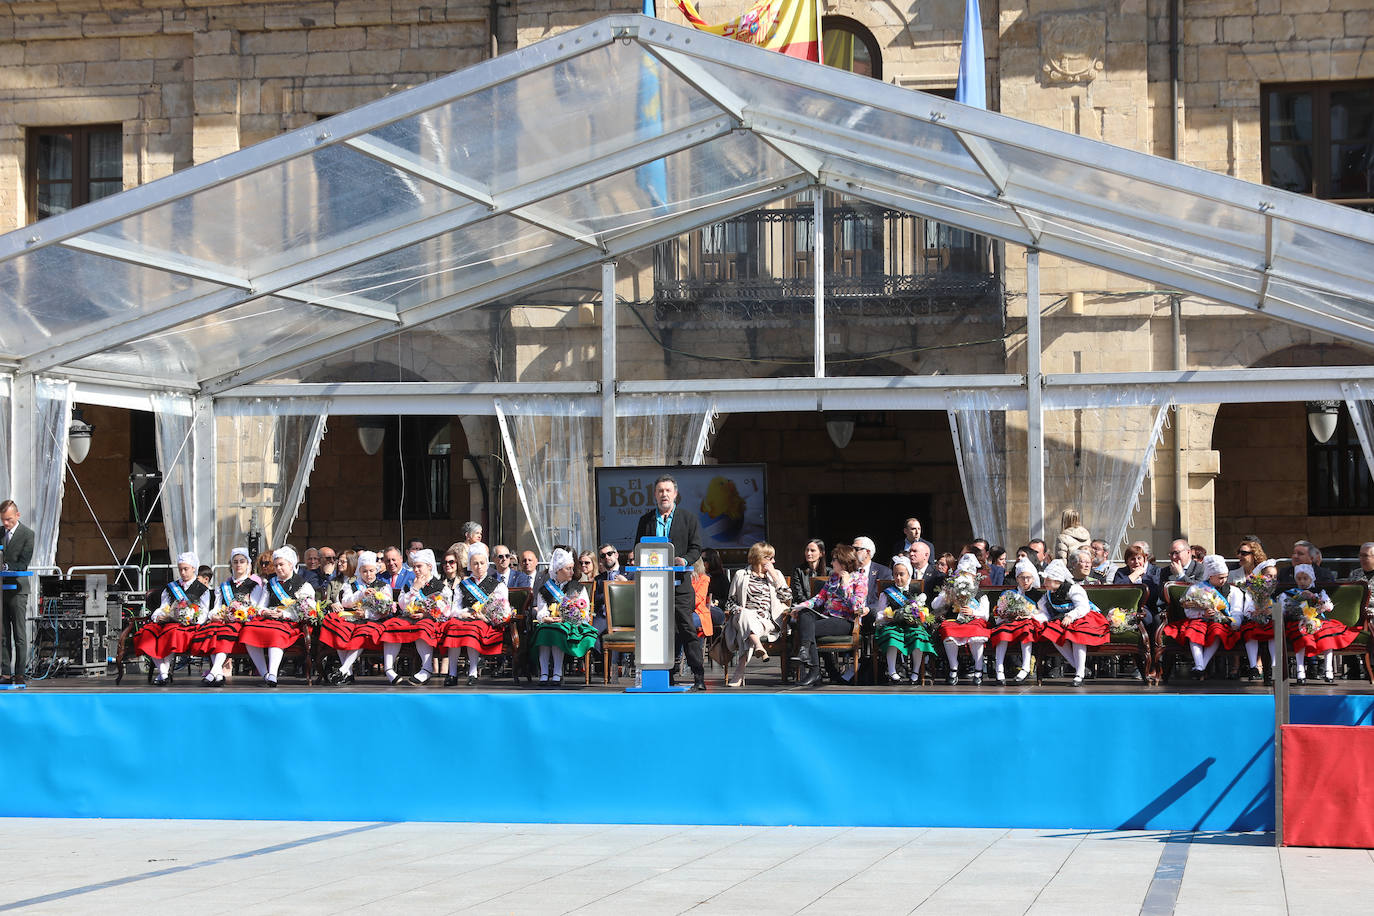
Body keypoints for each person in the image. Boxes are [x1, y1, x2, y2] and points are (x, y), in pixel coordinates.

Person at [633, 474, 705, 690]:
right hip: (652, 588)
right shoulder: (645, 520)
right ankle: (666, 676)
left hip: (680, 586)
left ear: (675, 494)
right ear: (655, 495)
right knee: (659, 631)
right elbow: (638, 547)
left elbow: (696, 548)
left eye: (667, 491)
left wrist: (684, 560)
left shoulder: (688, 518)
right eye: (660, 491)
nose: (664, 494)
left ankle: (698, 677)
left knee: (686, 629)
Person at [789, 543, 867, 688]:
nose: (831, 563)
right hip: (827, 616)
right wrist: (800, 607)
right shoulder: (832, 577)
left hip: (845, 621)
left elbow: (855, 606)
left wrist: (845, 585)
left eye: (834, 560)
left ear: (843, 562)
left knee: (806, 628)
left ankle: (814, 670)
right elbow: (819, 598)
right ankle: (807, 653)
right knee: (805, 614)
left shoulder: (860, 579)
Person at [1161, 555, 1243, 681]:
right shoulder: (1197, 588)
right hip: (1201, 620)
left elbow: (1237, 611)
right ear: (1210, 576)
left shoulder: (1234, 591)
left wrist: (1232, 621)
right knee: (1194, 631)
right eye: (1220, 578)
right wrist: (1203, 614)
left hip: (1223, 623)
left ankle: (1201, 666)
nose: (1224, 580)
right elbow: (1188, 610)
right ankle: (1199, 665)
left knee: (1216, 631)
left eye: (1225, 577)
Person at [239, 547, 312, 687]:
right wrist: (264, 612)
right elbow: (260, 606)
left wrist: (284, 614)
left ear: (291, 564)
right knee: (248, 631)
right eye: (276, 565)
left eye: (281, 565)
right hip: (268, 619)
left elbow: (306, 610)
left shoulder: (303, 585)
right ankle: (265, 673)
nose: (278, 568)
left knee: (275, 633)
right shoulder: (270, 584)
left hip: (289, 622)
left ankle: (273, 673)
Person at [135, 551, 211, 686]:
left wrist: (190, 619)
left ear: (193, 568)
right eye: (180, 569)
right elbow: (163, 606)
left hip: (189, 625)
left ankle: (163, 674)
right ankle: (164, 672)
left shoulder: (202, 589)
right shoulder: (171, 588)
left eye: (185, 569)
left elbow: (204, 612)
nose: (182, 572)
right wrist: (158, 616)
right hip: (168, 622)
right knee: (147, 633)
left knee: (171, 633)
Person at [441, 543, 510, 686]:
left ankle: (472, 672)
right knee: (453, 625)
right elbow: (454, 608)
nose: (478, 566)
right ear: (470, 565)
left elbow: (503, 611)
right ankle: (452, 673)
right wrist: (463, 614)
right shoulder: (463, 585)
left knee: (473, 629)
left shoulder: (498, 585)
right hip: (465, 618)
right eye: (475, 563)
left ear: (487, 564)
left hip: (485, 623)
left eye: (481, 563)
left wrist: (484, 617)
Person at [722, 541, 790, 687]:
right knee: (746, 615)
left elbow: (787, 598)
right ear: (761, 558)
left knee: (747, 630)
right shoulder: (741, 575)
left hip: (765, 621)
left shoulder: (776, 574)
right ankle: (758, 645)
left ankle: (739, 672)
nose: (774, 561)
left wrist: (774, 576)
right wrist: (738, 610)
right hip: (741, 617)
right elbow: (729, 603)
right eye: (770, 558)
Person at [1280, 563, 1360, 684]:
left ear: (1311, 578)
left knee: (1327, 634)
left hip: (1318, 621)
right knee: (1301, 635)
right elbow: (1284, 609)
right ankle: (1300, 672)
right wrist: (1296, 604)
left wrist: (1317, 600)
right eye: (1299, 578)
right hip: (1299, 621)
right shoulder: (1290, 593)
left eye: (1305, 578)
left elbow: (1329, 606)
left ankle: (1329, 671)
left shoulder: (1318, 592)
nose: (1302, 581)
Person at [191, 546, 259, 686]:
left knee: (223, 633)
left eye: (242, 561)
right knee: (211, 630)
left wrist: (238, 616)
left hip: (242, 623)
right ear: (231, 565)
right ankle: (218, 673)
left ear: (248, 564)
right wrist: (214, 615)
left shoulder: (254, 585)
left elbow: (255, 608)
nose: (238, 564)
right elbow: (215, 607)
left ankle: (214, 671)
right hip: (223, 620)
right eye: (235, 562)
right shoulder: (223, 586)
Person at [1038, 558, 1111, 687]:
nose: (1045, 582)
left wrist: (1071, 616)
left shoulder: (1073, 589)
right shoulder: (1049, 593)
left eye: (1047, 579)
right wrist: (1034, 617)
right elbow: (1043, 610)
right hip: (1065, 618)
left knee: (1077, 635)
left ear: (1057, 580)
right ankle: (1079, 668)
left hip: (1083, 616)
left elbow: (1083, 607)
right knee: (1052, 633)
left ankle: (1079, 674)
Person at [321, 550, 390, 685]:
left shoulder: (384, 586)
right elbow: (345, 601)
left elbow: (385, 609)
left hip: (371, 621)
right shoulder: (351, 585)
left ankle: (343, 670)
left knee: (361, 633)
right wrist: (361, 594)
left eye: (371, 571)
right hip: (352, 618)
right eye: (364, 571)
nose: (368, 574)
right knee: (338, 628)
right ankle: (348, 673)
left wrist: (367, 614)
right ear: (359, 571)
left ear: (376, 570)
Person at [532, 548, 597, 687]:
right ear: (558, 570)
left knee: (558, 631)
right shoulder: (545, 589)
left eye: (572, 568)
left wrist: (568, 617)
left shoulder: (577, 588)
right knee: (544, 630)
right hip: (551, 622)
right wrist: (546, 618)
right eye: (568, 569)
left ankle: (557, 673)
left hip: (571, 624)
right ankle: (544, 673)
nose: (572, 572)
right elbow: (541, 610)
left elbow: (584, 611)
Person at [385, 549, 448, 686]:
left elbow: (445, 609)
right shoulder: (409, 584)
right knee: (392, 626)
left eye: (419, 566)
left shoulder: (440, 586)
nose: (416, 570)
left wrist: (427, 614)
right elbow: (402, 604)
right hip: (408, 618)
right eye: (414, 567)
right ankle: (389, 669)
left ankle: (426, 668)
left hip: (429, 620)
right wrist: (414, 589)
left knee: (422, 628)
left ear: (429, 566)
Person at [873, 555, 936, 686]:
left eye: (902, 574)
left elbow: (924, 612)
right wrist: (886, 617)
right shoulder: (887, 593)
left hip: (911, 625)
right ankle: (892, 671)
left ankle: (915, 672)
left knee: (918, 635)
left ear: (909, 574)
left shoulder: (917, 593)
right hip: (893, 624)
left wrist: (917, 617)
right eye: (895, 574)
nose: (898, 578)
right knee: (891, 635)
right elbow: (879, 614)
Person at [933, 553, 990, 686]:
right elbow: (935, 605)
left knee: (976, 631)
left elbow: (985, 615)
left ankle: (978, 669)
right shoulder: (951, 589)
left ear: (974, 576)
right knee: (947, 629)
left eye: (967, 574)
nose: (963, 578)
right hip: (955, 621)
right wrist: (945, 595)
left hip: (974, 621)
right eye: (961, 574)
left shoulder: (979, 594)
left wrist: (973, 611)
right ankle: (953, 668)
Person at [988, 559, 1046, 685]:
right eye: (1022, 577)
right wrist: (1008, 614)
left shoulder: (1038, 596)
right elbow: (999, 611)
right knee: (1002, 633)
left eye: (1028, 578)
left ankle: (1025, 668)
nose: (1025, 581)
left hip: (1027, 624)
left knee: (1027, 631)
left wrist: (1030, 615)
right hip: (1009, 623)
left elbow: (1044, 614)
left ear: (1033, 578)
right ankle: (999, 669)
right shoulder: (1009, 593)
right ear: (1017, 578)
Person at [0, 500, 34, 686]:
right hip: (1, 589)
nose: (6, 524)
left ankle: (20, 672)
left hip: (18, 590)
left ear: (18, 515)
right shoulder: (0, 533)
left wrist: (7, 566)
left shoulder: (28, 534)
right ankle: (5, 672)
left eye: (9, 520)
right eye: (3, 520)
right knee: (3, 633)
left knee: (19, 634)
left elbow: (23, 562)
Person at [1237, 559, 1279, 684]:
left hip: (1270, 622)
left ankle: (1274, 667)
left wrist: (1272, 611)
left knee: (1274, 633)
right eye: (1269, 576)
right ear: (1261, 577)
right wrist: (1256, 611)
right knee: (1250, 632)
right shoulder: (1251, 592)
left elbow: (1280, 608)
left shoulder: (1276, 592)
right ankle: (1253, 666)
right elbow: (1246, 609)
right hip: (1254, 621)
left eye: (1274, 577)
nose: (1271, 579)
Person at [1113, 544, 1162, 626]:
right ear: (1127, 561)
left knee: (1149, 619)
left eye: (1139, 558)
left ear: (1144, 560)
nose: (1136, 562)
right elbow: (1118, 588)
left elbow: (1153, 597)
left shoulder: (1150, 577)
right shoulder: (1121, 572)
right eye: (1132, 559)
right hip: (1124, 608)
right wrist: (1135, 575)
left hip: (1145, 609)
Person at [791, 538, 827, 605]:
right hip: (804, 606)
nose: (808, 553)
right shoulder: (798, 570)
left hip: (822, 607)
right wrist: (810, 604)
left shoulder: (829, 572)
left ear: (821, 553)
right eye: (807, 550)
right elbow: (798, 595)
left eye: (812, 550)